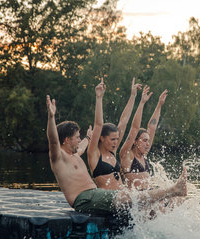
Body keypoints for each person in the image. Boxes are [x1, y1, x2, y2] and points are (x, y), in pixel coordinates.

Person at [46, 79, 187, 219]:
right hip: (85, 198)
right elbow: (54, 140)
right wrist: (51, 117)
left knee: (149, 204)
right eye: (77, 137)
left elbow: (123, 122)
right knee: (132, 197)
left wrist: (132, 97)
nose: (79, 139)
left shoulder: (76, 153)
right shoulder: (59, 157)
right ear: (66, 140)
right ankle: (173, 190)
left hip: (99, 196)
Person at [87, 78, 141, 190]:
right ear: (101, 138)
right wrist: (99, 98)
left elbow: (124, 121)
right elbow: (98, 124)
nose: (116, 142)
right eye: (112, 139)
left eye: (117, 139)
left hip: (122, 197)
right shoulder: (94, 154)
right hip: (109, 200)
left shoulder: (112, 151)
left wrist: (133, 96)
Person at [120, 88, 168, 190]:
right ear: (135, 141)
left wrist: (159, 105)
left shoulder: (143, 154)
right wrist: (141, 103)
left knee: (177, 199)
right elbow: (134, 128)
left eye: (148, 141)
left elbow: (152, 127)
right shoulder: (127, 155)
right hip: (136, 199)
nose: (148, 144)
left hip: (148, 196)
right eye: (145, 140)